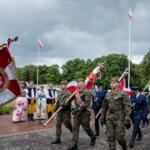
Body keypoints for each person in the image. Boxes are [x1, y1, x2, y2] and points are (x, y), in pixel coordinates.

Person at [100, 77, 131, 150]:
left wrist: (127, 116)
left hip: (119, 118)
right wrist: (102, 116)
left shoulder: (122, 93)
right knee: (110, 137)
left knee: (120, 138)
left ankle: (124, 145)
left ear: (118, 84)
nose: (112, 84)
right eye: (111, 83)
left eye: (114, 83)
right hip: (109, 118)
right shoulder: (107, 94)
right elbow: (104, 107)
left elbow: (127, 105)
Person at [68, 78, 96, 150]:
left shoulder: (87, 92)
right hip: (77, 114)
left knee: (86, 128)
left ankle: (93, 136)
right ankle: (75, 144)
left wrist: (78, 109)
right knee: (75, 128)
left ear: (83, 83)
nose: (78, 83)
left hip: (84, 113)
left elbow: (87, 104)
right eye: (77, 82)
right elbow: (70, 99)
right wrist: (65, 102)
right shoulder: (76, 92)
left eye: (80, 82)